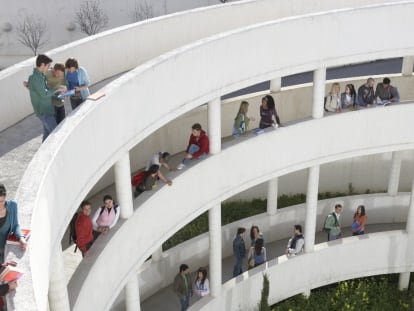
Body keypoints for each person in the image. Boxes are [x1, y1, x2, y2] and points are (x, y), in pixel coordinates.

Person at [28, 54, 66, 142]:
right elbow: (44, 94)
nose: (50, 68)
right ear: (42, 65)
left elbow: (47, 91)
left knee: (47, 136)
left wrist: (59, 94)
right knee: (55, 135)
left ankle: (41, 155)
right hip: (44, 112)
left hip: (48, 110)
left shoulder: (41, 76)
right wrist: (56, 89)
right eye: (48, 66)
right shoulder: (34, 78)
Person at [0, 184, 27, 263]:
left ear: (5, 198)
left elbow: (15, 226)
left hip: (6, 250)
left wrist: (21, 238)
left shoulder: (12, 206)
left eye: (1, 201)